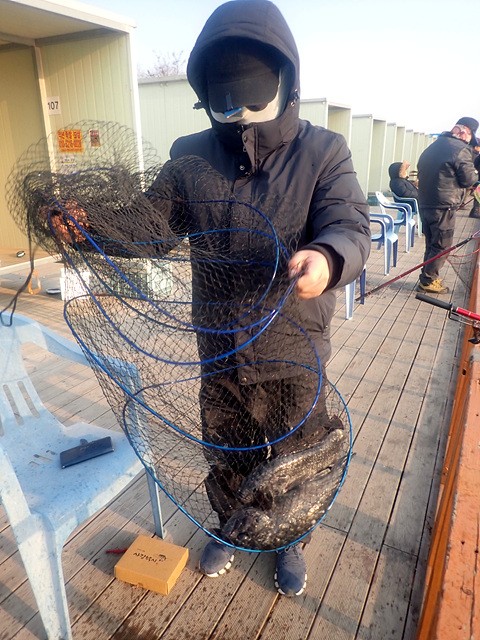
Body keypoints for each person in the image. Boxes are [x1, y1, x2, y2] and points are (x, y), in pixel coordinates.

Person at [36, 0, 371, 597]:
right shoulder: (189, 153)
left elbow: (348, 223)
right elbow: (151, 228)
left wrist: (327, 258)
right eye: (225, 97)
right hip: (218, 347)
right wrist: (91, 228)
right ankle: (232, 527)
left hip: (293, 346)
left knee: (294, 454)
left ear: (285, 82)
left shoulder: (324, 151)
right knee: (228, 447)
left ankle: (290, 539)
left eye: (251, 93)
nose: (238, 108)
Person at [416, 117, 479, 294]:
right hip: (443, 205)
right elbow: (468, 179)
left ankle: (427, 277)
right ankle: (428, 280)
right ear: (465, 132)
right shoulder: (460, 149)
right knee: (442, 245)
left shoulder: (434, 146)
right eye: (470, 137)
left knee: (432, 243)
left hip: (426, 202)